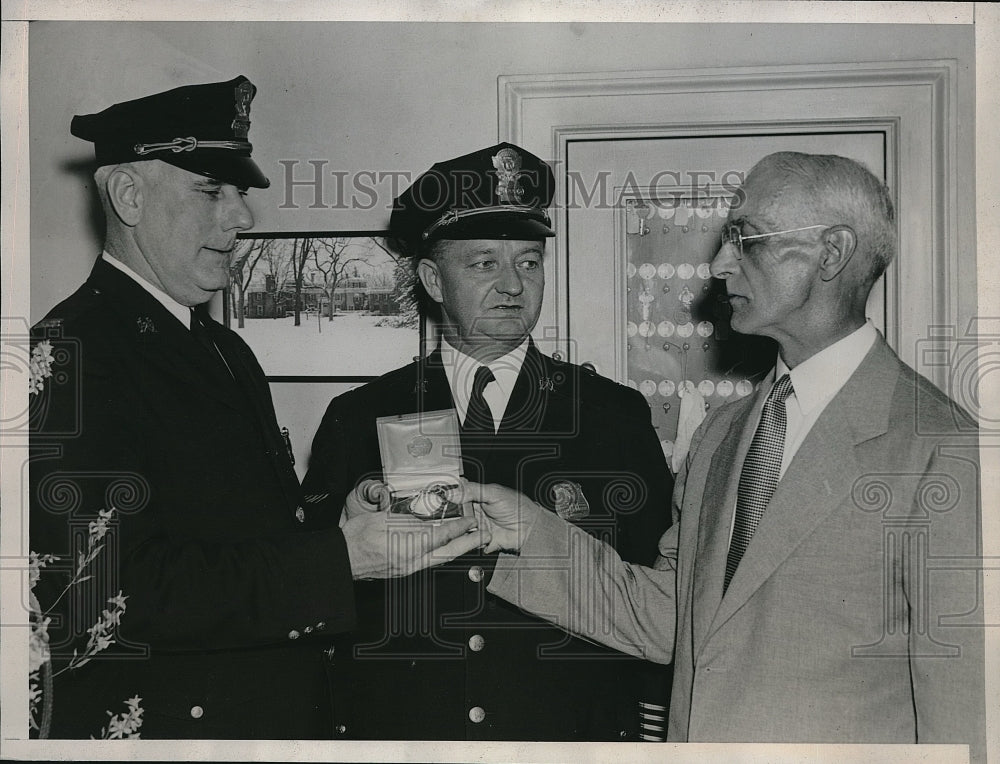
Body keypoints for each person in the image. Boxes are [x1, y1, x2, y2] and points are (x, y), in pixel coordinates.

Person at [471, 152, 985, 758]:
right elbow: (668, 618)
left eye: (745, 238)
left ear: (832, 252)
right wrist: (527, 530)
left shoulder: (944, 449)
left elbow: (965, 717)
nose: (718, 265)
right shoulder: (722, 433)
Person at [28, 76, 481, 739]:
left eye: (238, 193)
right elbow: (102, 593)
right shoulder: (66, 354)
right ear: (128, 196)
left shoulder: (221, 347)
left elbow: (238, 531)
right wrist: (339, 561)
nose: (240, 218)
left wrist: (339, 522)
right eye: (211, 191)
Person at [300, 142, 674, 741]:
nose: (512, 286)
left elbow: (655, 595)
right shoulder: (358, 417)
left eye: (529, 262)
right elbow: (309, 596)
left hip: (567, 740)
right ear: (432, 279)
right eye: (482, 264)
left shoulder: (612, 416)